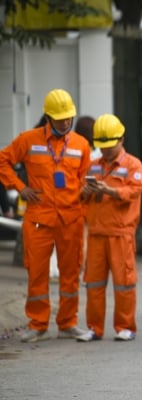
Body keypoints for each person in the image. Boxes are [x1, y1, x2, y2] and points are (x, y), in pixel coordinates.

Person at [0, 89, 91, 342]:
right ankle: (38, 323)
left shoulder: (81, 145)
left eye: (68, 118)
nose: (65, 122)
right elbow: (3, 160)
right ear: (48, 117)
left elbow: (83, 180)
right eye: (60, 118)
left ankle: (68, 322)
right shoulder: (29, 140)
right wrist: (20, 188)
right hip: (39, 218)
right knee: (37, 272)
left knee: (71, 272)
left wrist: (85, 197)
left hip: (70, 218)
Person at [76, 114, 142, 342]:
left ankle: (125, 326)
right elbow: (81, 197)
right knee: (94, 283)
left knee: (124, 283)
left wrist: (110, 190)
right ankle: (94, 328)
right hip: (96, 233)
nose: (105, 151)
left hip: (121, 233)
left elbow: (133, 191)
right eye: (102, 146)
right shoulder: (93, 167)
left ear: (121, 139)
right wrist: (85, 193)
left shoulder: (133, 165)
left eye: (109, 146)